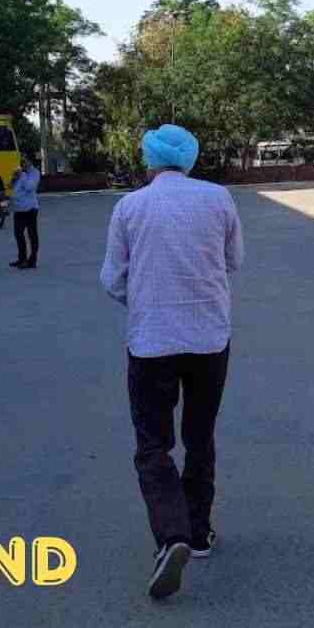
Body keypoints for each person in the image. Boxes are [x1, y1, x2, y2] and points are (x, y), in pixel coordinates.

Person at [99, 124, 244, 600]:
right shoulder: (218, 198)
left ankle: (171, 535)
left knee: (152, 446)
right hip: (209, 339)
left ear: (148, 159)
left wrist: (144, 303)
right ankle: (199, 534)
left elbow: (112, 279)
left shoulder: (129, 207)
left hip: (150, 343)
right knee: (200, 436)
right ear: (191, 158)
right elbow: (233, 261)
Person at [10, 154, 41, 269]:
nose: (22, 163)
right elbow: (12, 187)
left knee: (32, 235)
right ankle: (21, 258)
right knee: (18, 234)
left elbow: (29, 187)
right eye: (22, 160)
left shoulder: (35, 173)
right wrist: (13, 179)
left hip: (30, 209)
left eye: (25, 161)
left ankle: (32, 261)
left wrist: (21, 175)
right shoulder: (19, 172)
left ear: (30, 161)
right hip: (18, 209)